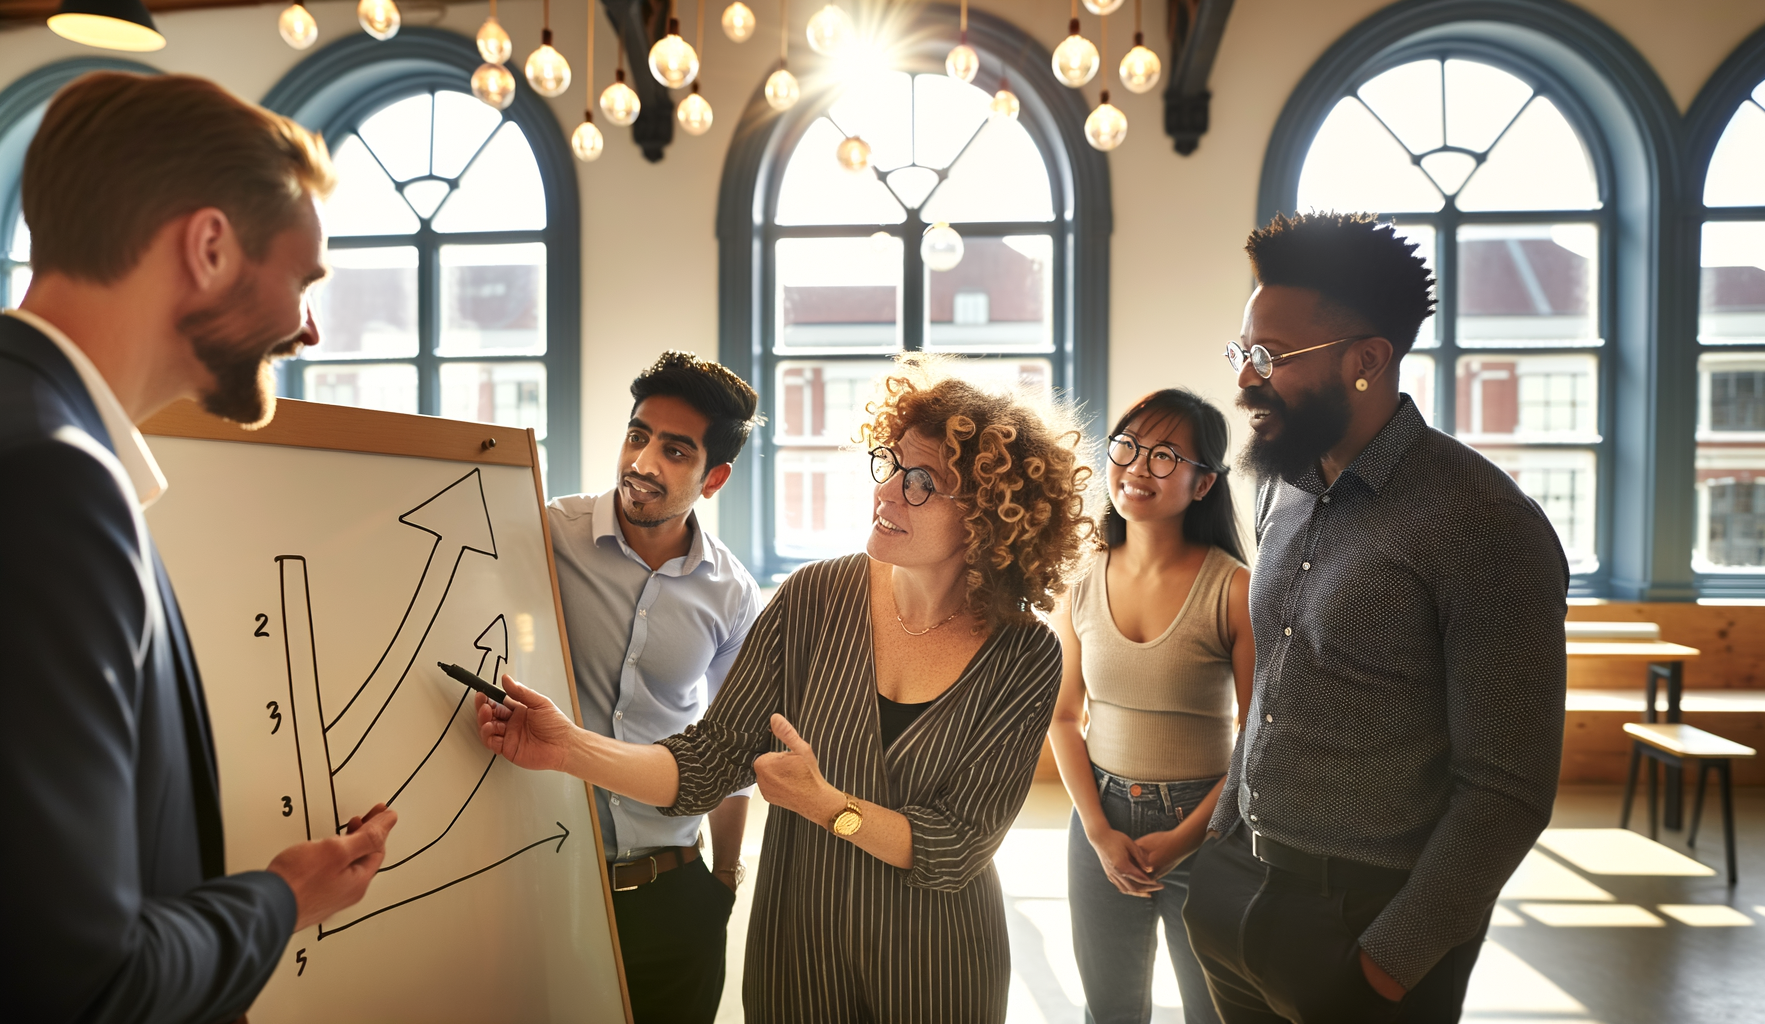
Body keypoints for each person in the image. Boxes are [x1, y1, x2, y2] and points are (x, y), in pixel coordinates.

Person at [479, 358, 1095, 1023]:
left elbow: (958, 847)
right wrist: (569, 748)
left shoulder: (1024, 654)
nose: (886, 493)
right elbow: (709, 760)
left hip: (938, 958)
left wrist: (827, 805)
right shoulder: (814, 597)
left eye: (921, 483)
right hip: (800, 948)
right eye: (888, 465)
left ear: (987, 511)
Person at [0, 73, 398, 1023]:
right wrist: (282, 898)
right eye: (303, 282)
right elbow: (84, 983)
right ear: (210, 247)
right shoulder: (53, 482)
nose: (309, 326)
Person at [1182, 212, 1568, 1024]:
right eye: (1243, 352)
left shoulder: (1486, 525)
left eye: (1270, 358)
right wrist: (1219, 847)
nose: (1247, 380)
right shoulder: (1280, 487)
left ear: (1366, 361)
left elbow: (1507, 790)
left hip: (1366, 934)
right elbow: (1276, 693)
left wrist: (1388, 969)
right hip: (1238, 891)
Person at [546, 351, 763, 1022]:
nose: (642, 462)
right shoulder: (548, 535)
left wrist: (722, 885)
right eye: (638, 435)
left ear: (715, 476)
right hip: (547, 886)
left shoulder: (731, 593)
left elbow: (734, 759)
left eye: (674, 450)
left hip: (672, 891)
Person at [1049, 388, 1253, 1024]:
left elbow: (1258, 738)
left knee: (1212, 1009)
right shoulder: (1080, 575)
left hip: (1211, 824)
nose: (1138, 467)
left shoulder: (1235, 588)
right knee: (1109, 1010)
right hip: (1099, 820)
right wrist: (1100, 832)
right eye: (1128, 446)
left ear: (1202, 485)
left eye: (1166, 456)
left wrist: (1185, 840)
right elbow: (1061, 717)